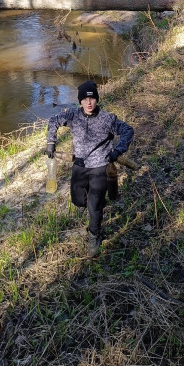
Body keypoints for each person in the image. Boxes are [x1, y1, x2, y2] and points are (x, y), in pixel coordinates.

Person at [46, 80, 134, 257]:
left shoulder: (107, 119)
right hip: (79, 165)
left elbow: (128, 131)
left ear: (97, 100)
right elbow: (53, 120)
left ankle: (94, 235)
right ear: (80, 101)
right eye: (85, 100)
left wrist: (117, 151)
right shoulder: (72, 116)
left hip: (99, 167)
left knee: (94, 204)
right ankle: (98, 206)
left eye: (92, 99)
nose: (89, 103)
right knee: (78, 200)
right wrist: (50, 142)